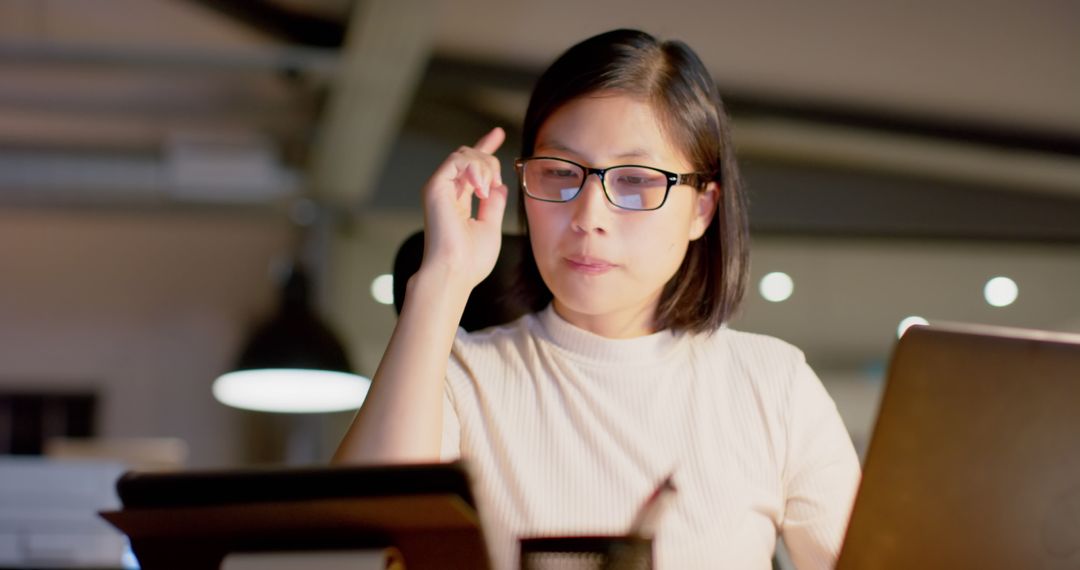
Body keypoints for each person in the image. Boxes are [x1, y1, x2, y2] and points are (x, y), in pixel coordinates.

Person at [334, 29, 860, 570]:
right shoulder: (460, 379)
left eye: (635, 181)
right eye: (560, 174)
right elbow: (354, 550)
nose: (589, 218)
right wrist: (443, 278)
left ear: (703, 209)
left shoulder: (774, 385)